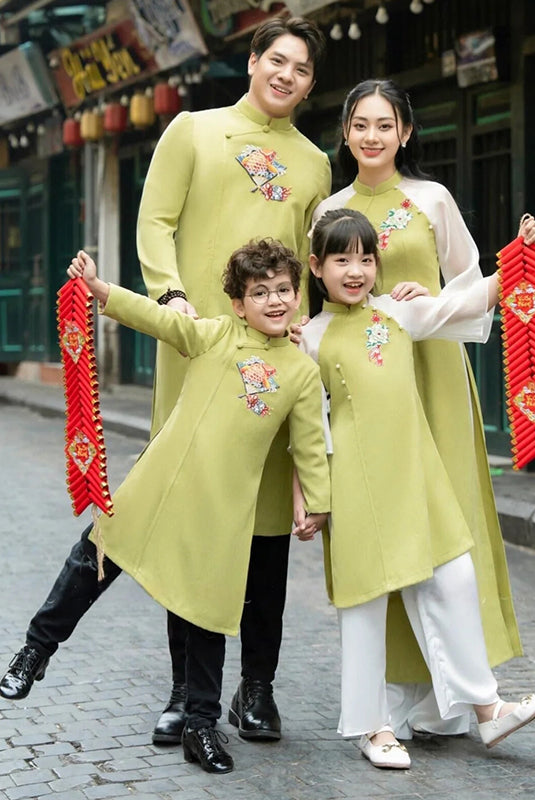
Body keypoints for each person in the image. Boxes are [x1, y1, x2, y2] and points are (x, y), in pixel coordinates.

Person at [0, 16, 332, 748]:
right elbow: (155, 222)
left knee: (265, 523)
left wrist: (306, 329)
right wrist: (172, 295)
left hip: (276, 363)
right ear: (253, 60)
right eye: (276, 60)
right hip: (196, 343)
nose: (286, 75)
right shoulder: (192, 130)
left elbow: (309, 263)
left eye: (302, 68)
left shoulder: (314, 164)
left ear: (311, 84)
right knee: (188, 515)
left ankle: (257, 687)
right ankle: (185, 692)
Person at [2, 241, 330, 775]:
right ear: (238, 304)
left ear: (298, 296)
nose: (274, 300)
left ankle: (201, 725)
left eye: (283, 290)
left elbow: (311, 445)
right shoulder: (214, 334)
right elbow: (157, 319)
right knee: (92, 561)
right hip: (159, 487)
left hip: (221, 511)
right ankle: (35, 650)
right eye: (260, 292)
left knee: (206, 615)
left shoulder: (300, 371)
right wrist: (99, 288)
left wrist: (318, 503)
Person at [312, 78, 535, 740]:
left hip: (433, 372)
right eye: (360, 124)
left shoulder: (432, 199)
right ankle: (397, 698)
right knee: (380, 528)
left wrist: (441, 294)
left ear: (406, 132)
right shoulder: (329, 209)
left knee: (448, 528)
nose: (372, 136)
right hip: (364, 382)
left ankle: (455, 700)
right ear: (345, 132)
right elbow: (320, 295)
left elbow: (472, 285)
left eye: (385, 125)